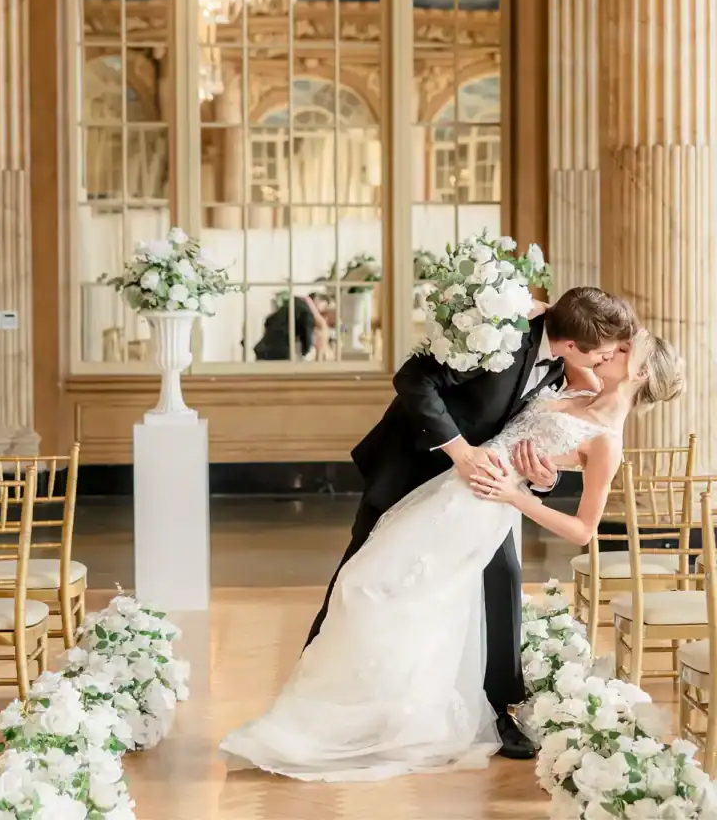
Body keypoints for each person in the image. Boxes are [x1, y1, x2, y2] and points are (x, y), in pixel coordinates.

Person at [219, 327, 683, 782]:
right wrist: (539, 474)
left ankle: (365, 724)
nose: (609, 350)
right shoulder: (577, 385)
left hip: (481, 510)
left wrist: (517, 494)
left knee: (382, 592)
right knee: (367, 586)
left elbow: (583, 530)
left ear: (639, 373)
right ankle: (345, 713)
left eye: (624, 349)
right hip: (445, 490)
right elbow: (527, 431)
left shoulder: (608, 442)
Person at [304, 286, 636, 759]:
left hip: (483, 492)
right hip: (415, 463)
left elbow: (534, 437)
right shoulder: (498, 337)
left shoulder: (568, 366)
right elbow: (413, 380)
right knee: (364, 572)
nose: (607, 359)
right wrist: (460, 452)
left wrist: (540, 479)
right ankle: (318, 680)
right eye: (604, 351)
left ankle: (501, 709)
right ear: (570, 343)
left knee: (501, 579)